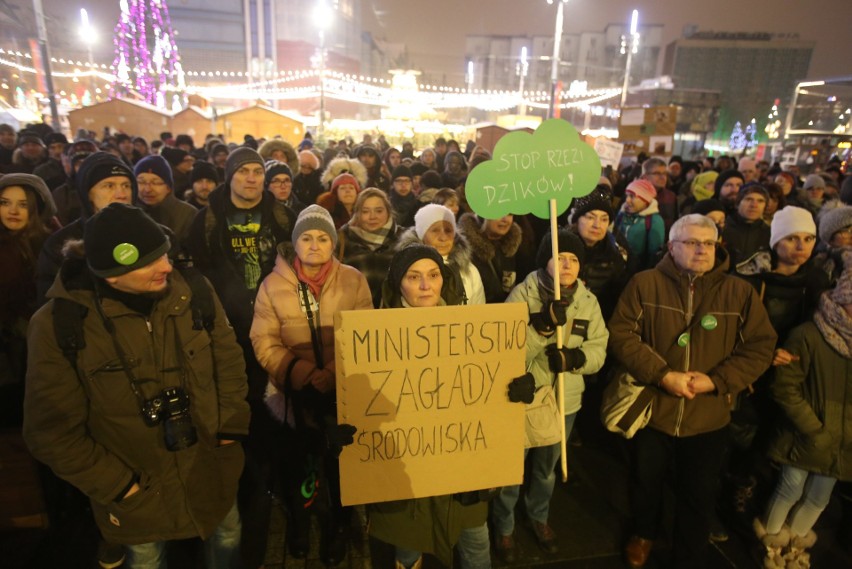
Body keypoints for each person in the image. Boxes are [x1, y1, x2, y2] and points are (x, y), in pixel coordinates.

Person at [23, 203, 249, 568]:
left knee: (227, 537)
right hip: (136, 493)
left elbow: (229, 363)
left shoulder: (193, 291)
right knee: (146, 560)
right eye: (149, 261)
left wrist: (230, 433)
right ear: (111, 275)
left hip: (210, 466)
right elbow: (50, 432)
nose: (167, 267)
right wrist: (120, 486)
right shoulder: (58, 325)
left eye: (163, 252)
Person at [609, 214, 777, 569]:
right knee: (646, 482)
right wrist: (662, 374)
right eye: (691, 242)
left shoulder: (739, 292)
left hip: (708, 415)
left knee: (698, 493)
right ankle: (643, 533)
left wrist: (718, 380)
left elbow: (761, 346)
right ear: (671, 247)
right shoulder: (645, 283)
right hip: (654, 409)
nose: (701, 249)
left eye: (708, 243)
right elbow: (622, 334)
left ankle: (688, 554)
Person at [186, 146, 294, 568]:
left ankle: (271, 477)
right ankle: (243, 474)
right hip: (225, 329)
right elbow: (194, 270)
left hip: (273, 325)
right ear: (229, 176)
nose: (251, 179)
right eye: (243, 172)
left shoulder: (282, 215)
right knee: (237, 402)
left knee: (275, 401)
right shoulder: (206, 219)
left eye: (256, 172)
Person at [250, 205, 372, 565]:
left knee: (340, 466)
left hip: (342, 389)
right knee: (299, 462)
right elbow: (264, 340)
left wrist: (333, 371)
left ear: (333, 243)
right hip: (294, 391)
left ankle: (338, 524)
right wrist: (300, 371)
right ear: (295, 242)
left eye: (322, 238)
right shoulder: (273, 285)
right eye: (307, 237)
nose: (314, 245)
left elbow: (365, 334)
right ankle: (301, 522)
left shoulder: (353, 279)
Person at [369, 244, 489, 569]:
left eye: (433, 275)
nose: (425, 286)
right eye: (414, 276)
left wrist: (511, 390)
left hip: (462, 462)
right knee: (408, 549)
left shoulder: (471, 329)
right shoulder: (373, 337)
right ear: (398, 284)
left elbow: (486, 388)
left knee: (476, 542)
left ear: (443, 279)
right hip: (406, 469)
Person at [492, 230, 608, 561]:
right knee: (512, 468)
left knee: (546, 468)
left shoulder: (588, 301)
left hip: (564, 401)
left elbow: (599, 346)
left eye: (574, 259)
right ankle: (504, 526)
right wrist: (540, 326)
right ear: (546, 260)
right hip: (526, 399)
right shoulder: (522, 295)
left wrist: (577, 359)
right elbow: (506, 350)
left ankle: (539, 516)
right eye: (560, 257)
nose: (568, 265)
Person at [753, 253, 852, 568]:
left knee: (820, 497)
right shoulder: (810, 334)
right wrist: (814, 429)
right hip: (806, 431)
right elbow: (785, 387)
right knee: (790, 487)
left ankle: (796, 541)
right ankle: (771, 541)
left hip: (843, 439)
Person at [36, 152, 137, 305]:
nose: (121, 194)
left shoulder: (152, 233)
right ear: (87, 193)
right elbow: (50, 301)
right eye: (109, 186)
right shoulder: (61, 244)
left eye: (126, 186)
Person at [0, 174, 57, 425]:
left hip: (41, 341)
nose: (13, 211)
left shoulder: (50, 244)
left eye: (23, 205)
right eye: (5, 202)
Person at [398, 204, 485, 305]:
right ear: (421, 234)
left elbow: (478, 311)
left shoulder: (469, 270)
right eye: (435, 230)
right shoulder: (404, 268)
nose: (443, 238)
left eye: (448, 230)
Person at [567, 186, 629, 321]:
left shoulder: (616, 255)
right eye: (590, 217)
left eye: (604, 219)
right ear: (577, 220)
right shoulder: (558, 247)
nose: (597, 225)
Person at [337, 188, 403, 308]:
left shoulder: (404, 238)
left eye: (379, 211)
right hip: (355, 316)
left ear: (388, 211)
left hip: (396, 316)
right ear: (357, 214)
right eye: (366, 211)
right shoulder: (342, 239)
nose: (373, 217)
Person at [134, 155, 198, 250]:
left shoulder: (187, 213)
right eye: (141, 182)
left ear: (168, 187)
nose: (147, 189)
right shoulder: (129, 212)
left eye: (156, 183)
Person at [458, 211, 522, 303]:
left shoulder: (515, 247)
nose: (505, 219)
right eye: (498, 212)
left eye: (510, 214)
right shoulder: (464, 250)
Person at [614, 179, 665, 272]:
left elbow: (654, 255)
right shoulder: (622, 214)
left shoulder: (654, 221)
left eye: (632, 196)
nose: (627, 200)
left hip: (638, 270)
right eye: (627, 196)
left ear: (645, 200)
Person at [722, 183, 771, 270]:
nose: (754, 205)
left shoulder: (770, 233)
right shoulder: (723, 229)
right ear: (738, 203)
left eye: (760, 201)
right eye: (749, 199)